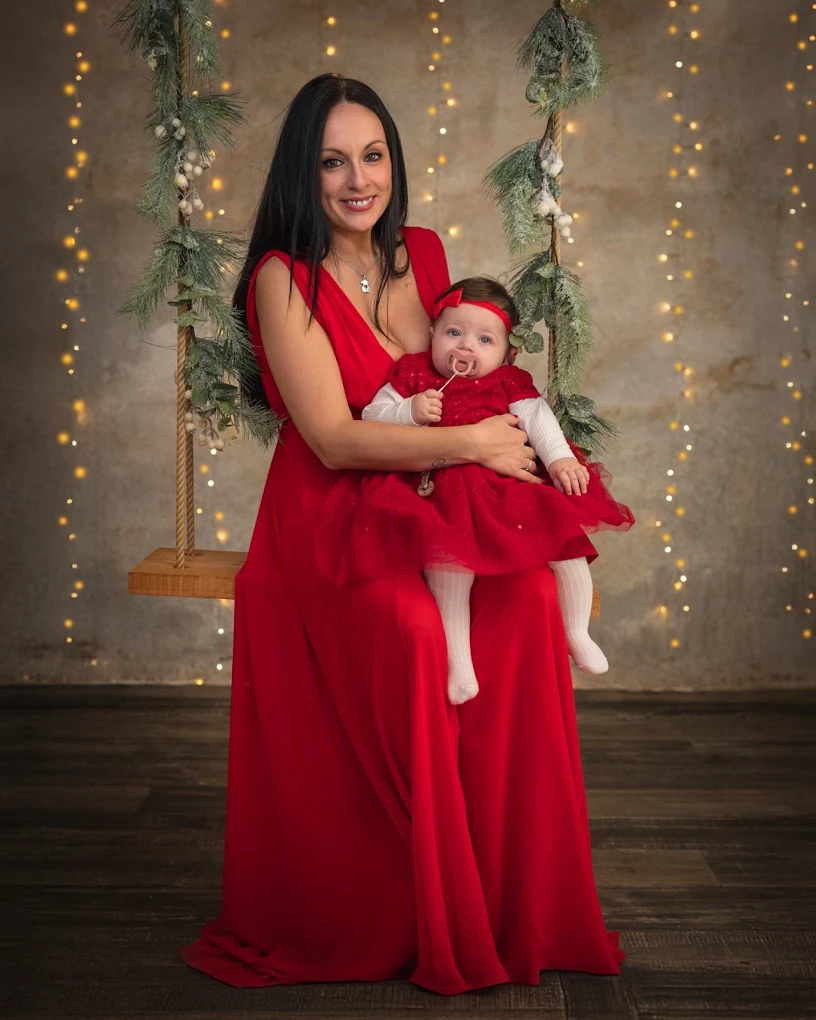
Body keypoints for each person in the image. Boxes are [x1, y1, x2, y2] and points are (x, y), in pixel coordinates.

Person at [178, 72, 626, 995]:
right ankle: (413, 901)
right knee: (421, 638)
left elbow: (475, 367)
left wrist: (512, 442)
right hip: (329, 514)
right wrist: (475, 442)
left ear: (394, 161)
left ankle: (510, 901)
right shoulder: (283, 279)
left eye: (373, 155)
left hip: (432, 503)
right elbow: (334, 440)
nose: (358, 180)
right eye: (332, 162)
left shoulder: (422, 252)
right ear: (302, 173)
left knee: (530, 601)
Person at [314, 276, 636, 705]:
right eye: (454, 333)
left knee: (564, 544)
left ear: (507, 353)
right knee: (449, 566)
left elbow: (537, 419)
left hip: (507, 488)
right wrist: (409, 411)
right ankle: (459, 664)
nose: (466, 346)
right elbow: (373, 416)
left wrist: (559, 458)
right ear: (433, 334)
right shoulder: (414, 373)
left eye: (484, 340)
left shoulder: (508, 382)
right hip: (444, 489)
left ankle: (576, 631)